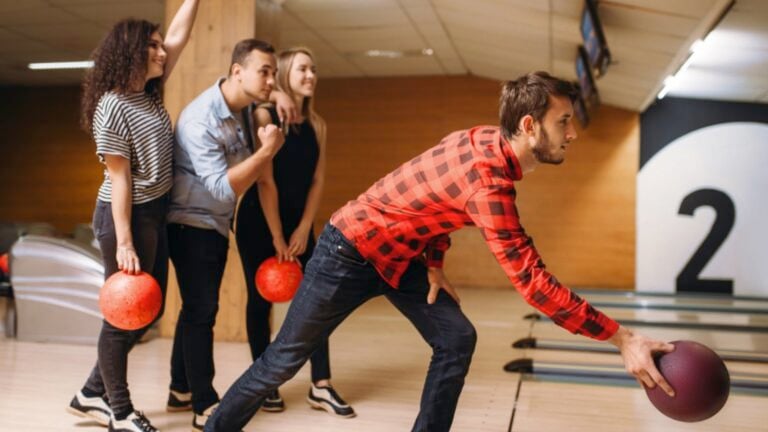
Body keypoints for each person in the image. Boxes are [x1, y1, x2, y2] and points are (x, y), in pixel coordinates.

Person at [205, 71, 678, 432]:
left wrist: (434, 265)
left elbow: (434, 204)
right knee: (283, 360)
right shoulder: (490, 185)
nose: (571, 133)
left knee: (456, 338)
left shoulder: (480, 138)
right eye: (563, 122)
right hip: (346, 251)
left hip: (401, 258)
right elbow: (533, 285)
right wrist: (622, 338)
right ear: (530, 126)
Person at [66, 2, 201, 432]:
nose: (164, 51)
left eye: (161, 45)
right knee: (122, 314)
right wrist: (124, 241)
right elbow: (119, 180)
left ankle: (90, 392)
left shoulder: (148, 93)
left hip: (153, 213)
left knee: (148, 311)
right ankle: (119, 411)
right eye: (154, 46)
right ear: (132, 51)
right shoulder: (112, 106)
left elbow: (180, 34)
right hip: (124, 215)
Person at [165, 38, 288, 431]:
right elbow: (221, 188)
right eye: (264, 72)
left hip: (213, 224)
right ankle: (205, 404)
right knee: (203, 312)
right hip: (190, 225)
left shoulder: (243, 107)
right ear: (238, 72)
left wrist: (274, 101)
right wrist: (266, 152)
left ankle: (180, 389)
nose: (271, 80)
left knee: (194, 309)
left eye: (274, 73)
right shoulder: (202, 117)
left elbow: (265, 100)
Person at [235, 47, 354, 418]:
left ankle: (321, 385)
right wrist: (276, 236)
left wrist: (304, 226)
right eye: (303, 68)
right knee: (260, 303)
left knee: (317, 302)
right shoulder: (265, 114)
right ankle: (263, 384)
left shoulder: (317, 123)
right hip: (259, 222)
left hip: (300, 225)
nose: (311, 75)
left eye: (314, 69)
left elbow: (317, 180)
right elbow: (265, 180)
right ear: (286, 73)